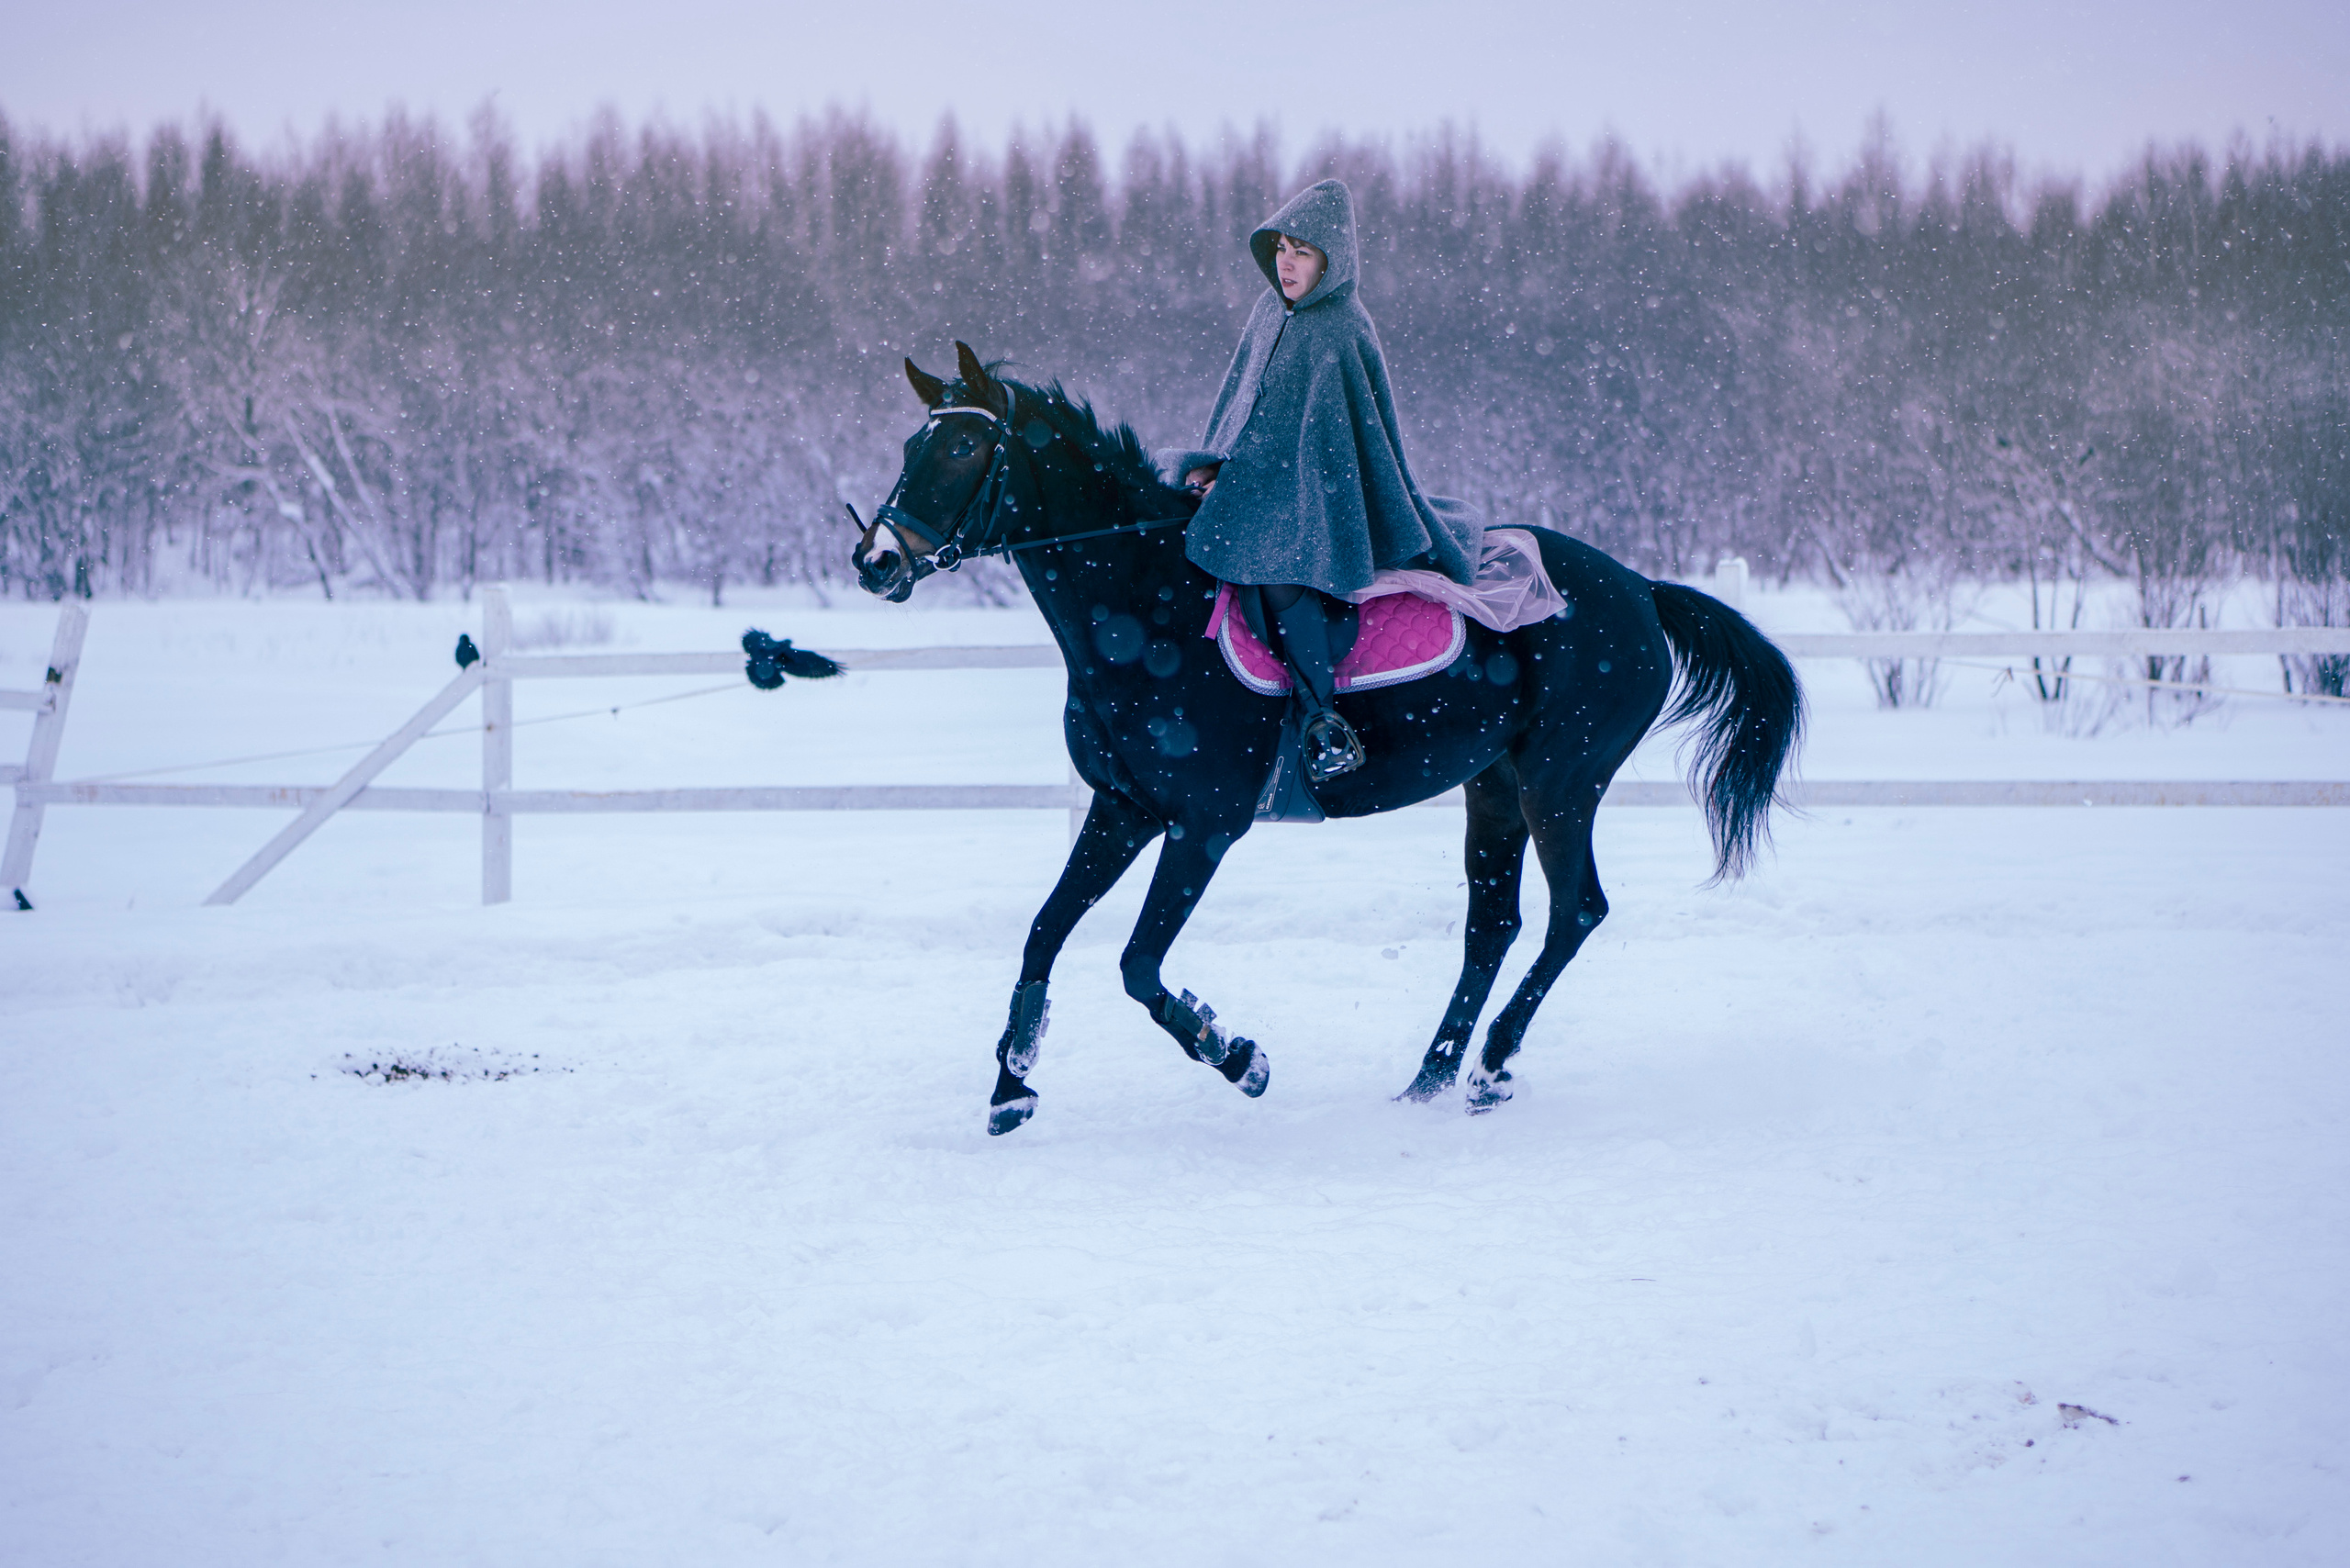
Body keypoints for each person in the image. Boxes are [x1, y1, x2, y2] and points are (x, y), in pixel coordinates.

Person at [1167, 178, 1483, 781]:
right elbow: (1244, 412)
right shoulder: (1269, 313)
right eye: (1282, 247)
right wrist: (1217, 466)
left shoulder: (1339, 329)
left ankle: (1321, 718)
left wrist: (1244, 488)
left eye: (1303, 252)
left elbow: (1325, 448)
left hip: (1325, 501)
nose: (1287, 262)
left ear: (1330, 262)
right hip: (1256, 487)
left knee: (1281, 574)